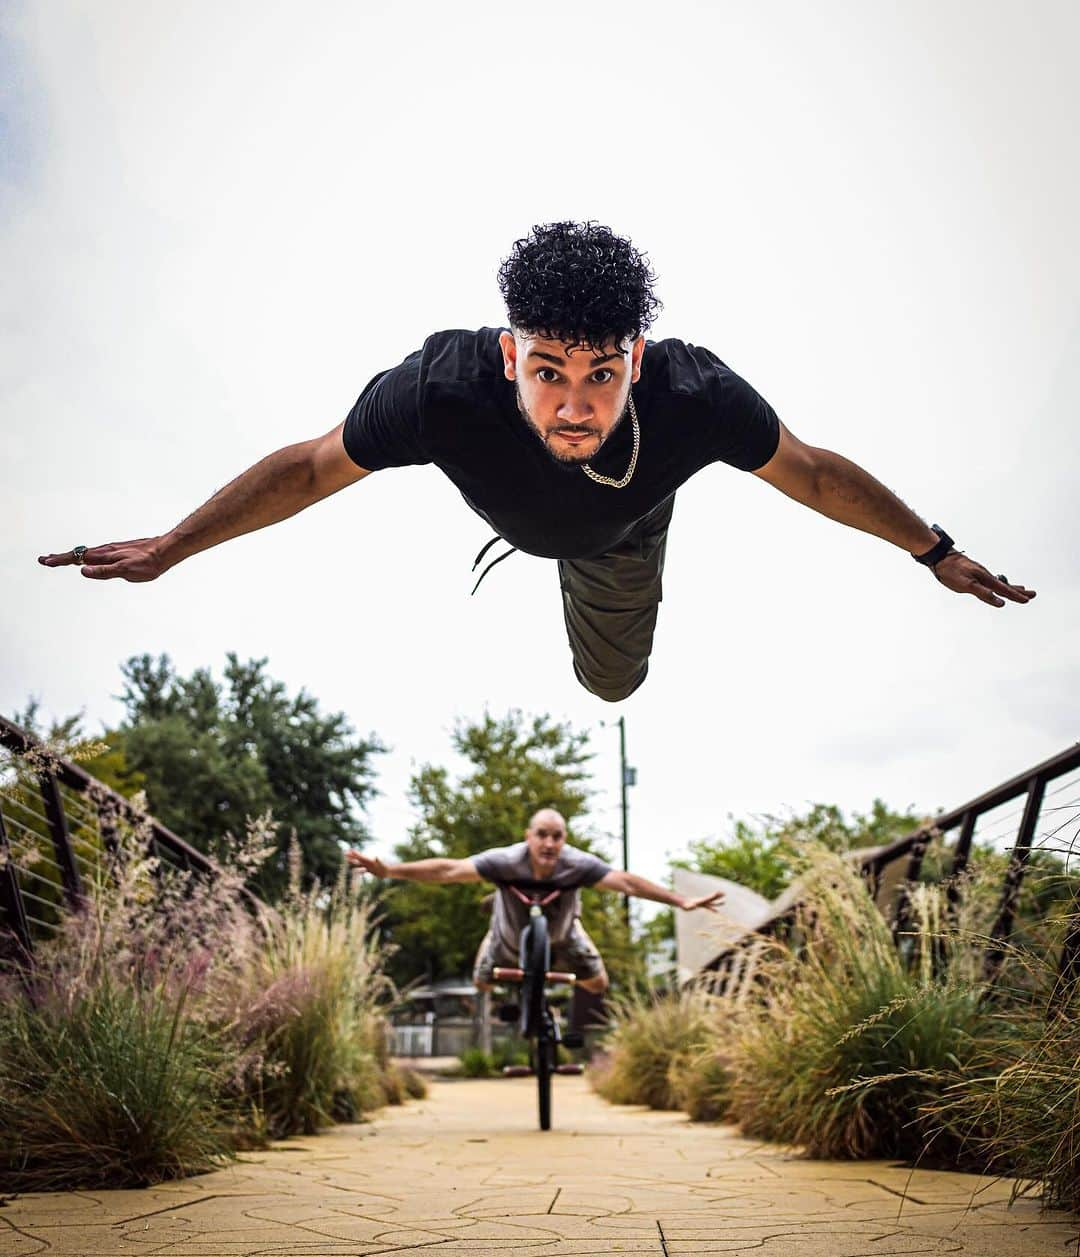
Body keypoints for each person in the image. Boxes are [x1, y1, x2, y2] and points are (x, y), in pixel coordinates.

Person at [39, 220, 1035, 701]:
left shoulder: (695, 397)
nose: (573, 404)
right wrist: (173, 547)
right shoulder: (442, 390)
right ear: (512, 354)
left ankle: (609, 555)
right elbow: (307, 467)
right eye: (548, 371)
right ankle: (542, 537)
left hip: (624, 533)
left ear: (635, 361)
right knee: (542, 522)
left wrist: (932, 548)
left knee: (613, 687)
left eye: (601, 375)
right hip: (521, 515)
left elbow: (813, 471)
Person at [344, 807, 723, 1000]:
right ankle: (495, 919)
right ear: (529, 836)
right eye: (542, 835)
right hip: (507, 939)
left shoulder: (577, 864)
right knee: (482, 982)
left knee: (598, 984)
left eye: (556, 837)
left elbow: (625, 882)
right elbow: (449, 870)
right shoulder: (506, 861)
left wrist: (681, 900)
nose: (549, 844)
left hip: (564, 935)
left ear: (564, 839)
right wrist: (391, 870)